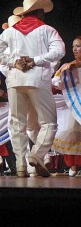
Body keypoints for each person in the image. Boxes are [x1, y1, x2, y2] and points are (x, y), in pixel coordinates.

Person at [0, 0, 65, 177]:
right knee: (48, 122)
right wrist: (36, 60)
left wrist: (14, 63)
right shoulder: (47, 30)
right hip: (38, 80)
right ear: (38, 13)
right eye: (42, 13)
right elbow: (60, 51)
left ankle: (21, 165)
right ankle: (37, 155)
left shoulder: (11, 31)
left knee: (17, 124)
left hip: (15, 81)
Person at [51, 36, 81, 177]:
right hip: (76, 104)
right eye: (73, 46)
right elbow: (56, 82)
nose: (75, 49)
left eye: (78, 46)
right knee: (71, 132)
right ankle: (74, 166)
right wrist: (64, 72)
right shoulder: (68, 66)